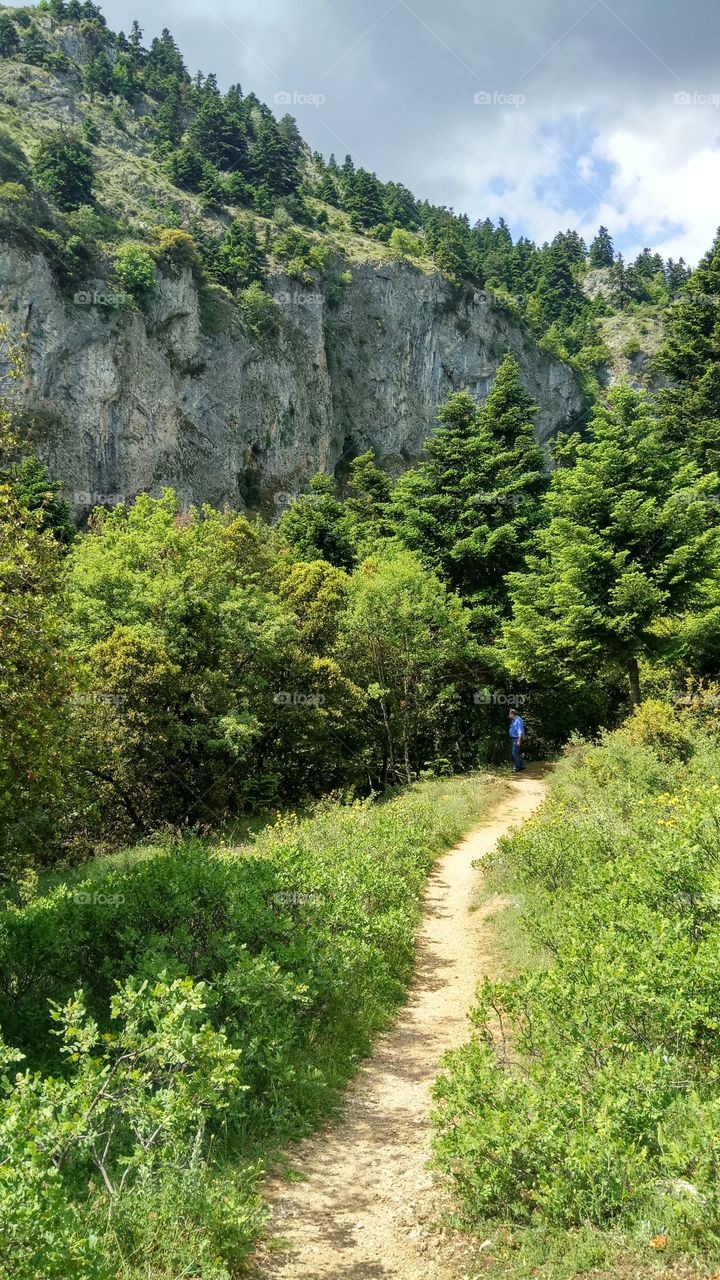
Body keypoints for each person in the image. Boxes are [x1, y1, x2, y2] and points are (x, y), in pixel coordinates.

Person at [508, 707, 525, 773]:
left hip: (517, 738)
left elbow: (520, 731)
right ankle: (521, 765)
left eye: (509, 714)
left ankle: (517, 767)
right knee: (516, 752)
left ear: (512, 714)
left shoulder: (518, 720)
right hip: (514, 738)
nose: (509, 716)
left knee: (514, 752)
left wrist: (519, 740)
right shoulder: (513, 720)